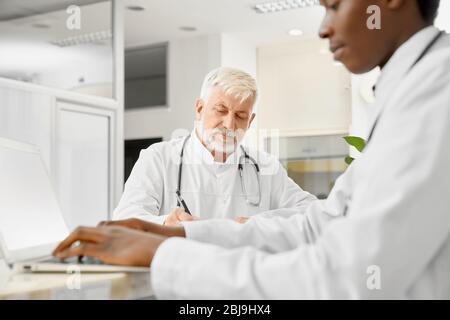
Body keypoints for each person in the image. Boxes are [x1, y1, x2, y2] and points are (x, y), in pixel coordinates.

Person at [53, 0, 450, 299]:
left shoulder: (436, 92)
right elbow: (320, 225)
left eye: (333, 5)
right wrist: (179, 235)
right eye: (220, 111)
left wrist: (169, 252)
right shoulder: (411, 89)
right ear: (200, 108)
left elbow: (345, 274)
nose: (324, 28)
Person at [113, 67, 316, 226]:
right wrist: (165, 222)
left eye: (240, 116)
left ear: (251, 121)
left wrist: (261, 223)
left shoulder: (265, 167)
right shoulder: (158, 158)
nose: (229, 125)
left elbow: (310, 210)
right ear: (200, 108)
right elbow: (125, 220)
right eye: (221, 110)